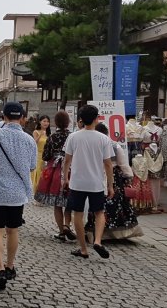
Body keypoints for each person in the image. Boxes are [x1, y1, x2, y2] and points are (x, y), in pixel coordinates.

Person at [0, 101, 36, 290]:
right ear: (22, 118)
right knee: (13, 230)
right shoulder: (29, 140)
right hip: (17, 193)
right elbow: (31, 167)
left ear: (3, 117)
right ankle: (10, 265)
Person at [61, 105, 114, 259]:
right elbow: (108, 164)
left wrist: (65, 178)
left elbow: (67, 161)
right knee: (99, 212)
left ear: (81, 119)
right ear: (96, 119)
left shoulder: (74, 137)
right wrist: (110, 185)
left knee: (77, 213)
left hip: (77, 182)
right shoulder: (104, 139)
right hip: (96, 182)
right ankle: (97, 241)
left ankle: (83, 248)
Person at [93, 123, 142, 240]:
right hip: (113, 177)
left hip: (96, 175)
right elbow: (123, 164)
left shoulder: (93, 145)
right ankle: (116, 232)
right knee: (116, 203)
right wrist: (129, 176)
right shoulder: (115, 146)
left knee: (97, 205)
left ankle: (95, 231)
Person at [34, 111, 75, 241]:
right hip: (71, 169)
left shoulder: (52, 137)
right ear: (68, 122)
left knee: (58, 203)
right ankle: (67, 225)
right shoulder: (73, 136)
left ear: (56, 123)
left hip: (56, 170)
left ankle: (61, 231)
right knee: (69, 201)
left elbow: (46, 156)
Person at [31, 115, 51, 193]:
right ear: (40, 122)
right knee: (38, 174)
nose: (46, 123)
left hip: (46, 156)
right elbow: (34, 143)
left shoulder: (49, 133)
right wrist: (40, 135)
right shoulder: (36, 131)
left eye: (47, 121)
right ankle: (37, 193)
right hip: (38, 156)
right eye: (44, 121)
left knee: (45, 175)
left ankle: (43, 193)